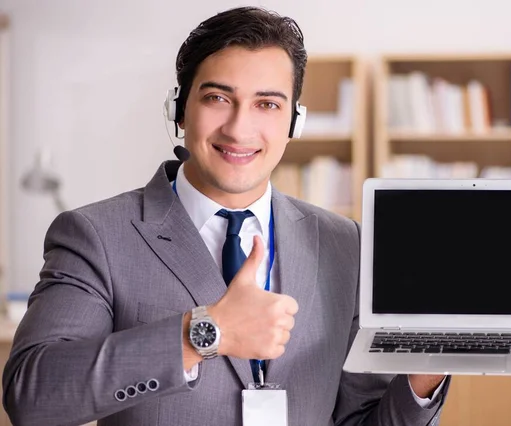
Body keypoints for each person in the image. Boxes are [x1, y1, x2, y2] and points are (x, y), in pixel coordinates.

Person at [2, 6, 450, 426]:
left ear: (294, 123)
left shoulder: (345, 243)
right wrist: (204, 333)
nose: (239, 128)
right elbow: (33, 395)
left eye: (268, 104)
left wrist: (424, 372)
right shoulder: (97, 235)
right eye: (218, 98)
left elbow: (360, 417)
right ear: (180, 110)